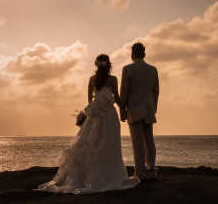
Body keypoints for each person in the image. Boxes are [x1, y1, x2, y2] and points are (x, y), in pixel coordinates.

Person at [37, 54, 140, 194]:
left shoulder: (92, 79)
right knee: (109, 144)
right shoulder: (113, 79)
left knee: (91, 144)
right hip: (109, 115)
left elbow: (90, 102)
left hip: (95, 114)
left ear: (97, 65)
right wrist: (125, 110)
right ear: (109, 65)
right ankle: (107, 174)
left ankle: (88, 175)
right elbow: (116, 97)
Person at [120, 42, 160, 181]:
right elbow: (156, 91)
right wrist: (153, 109)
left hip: (134, 109)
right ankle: (151, 170)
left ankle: (141, 173)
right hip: (149, 109)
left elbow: (124, 92)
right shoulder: (153, 69)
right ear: (144, 54)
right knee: (149, 140)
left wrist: (122, 109)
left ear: (132, 54)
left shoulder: (127, 69)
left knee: (137, 141)